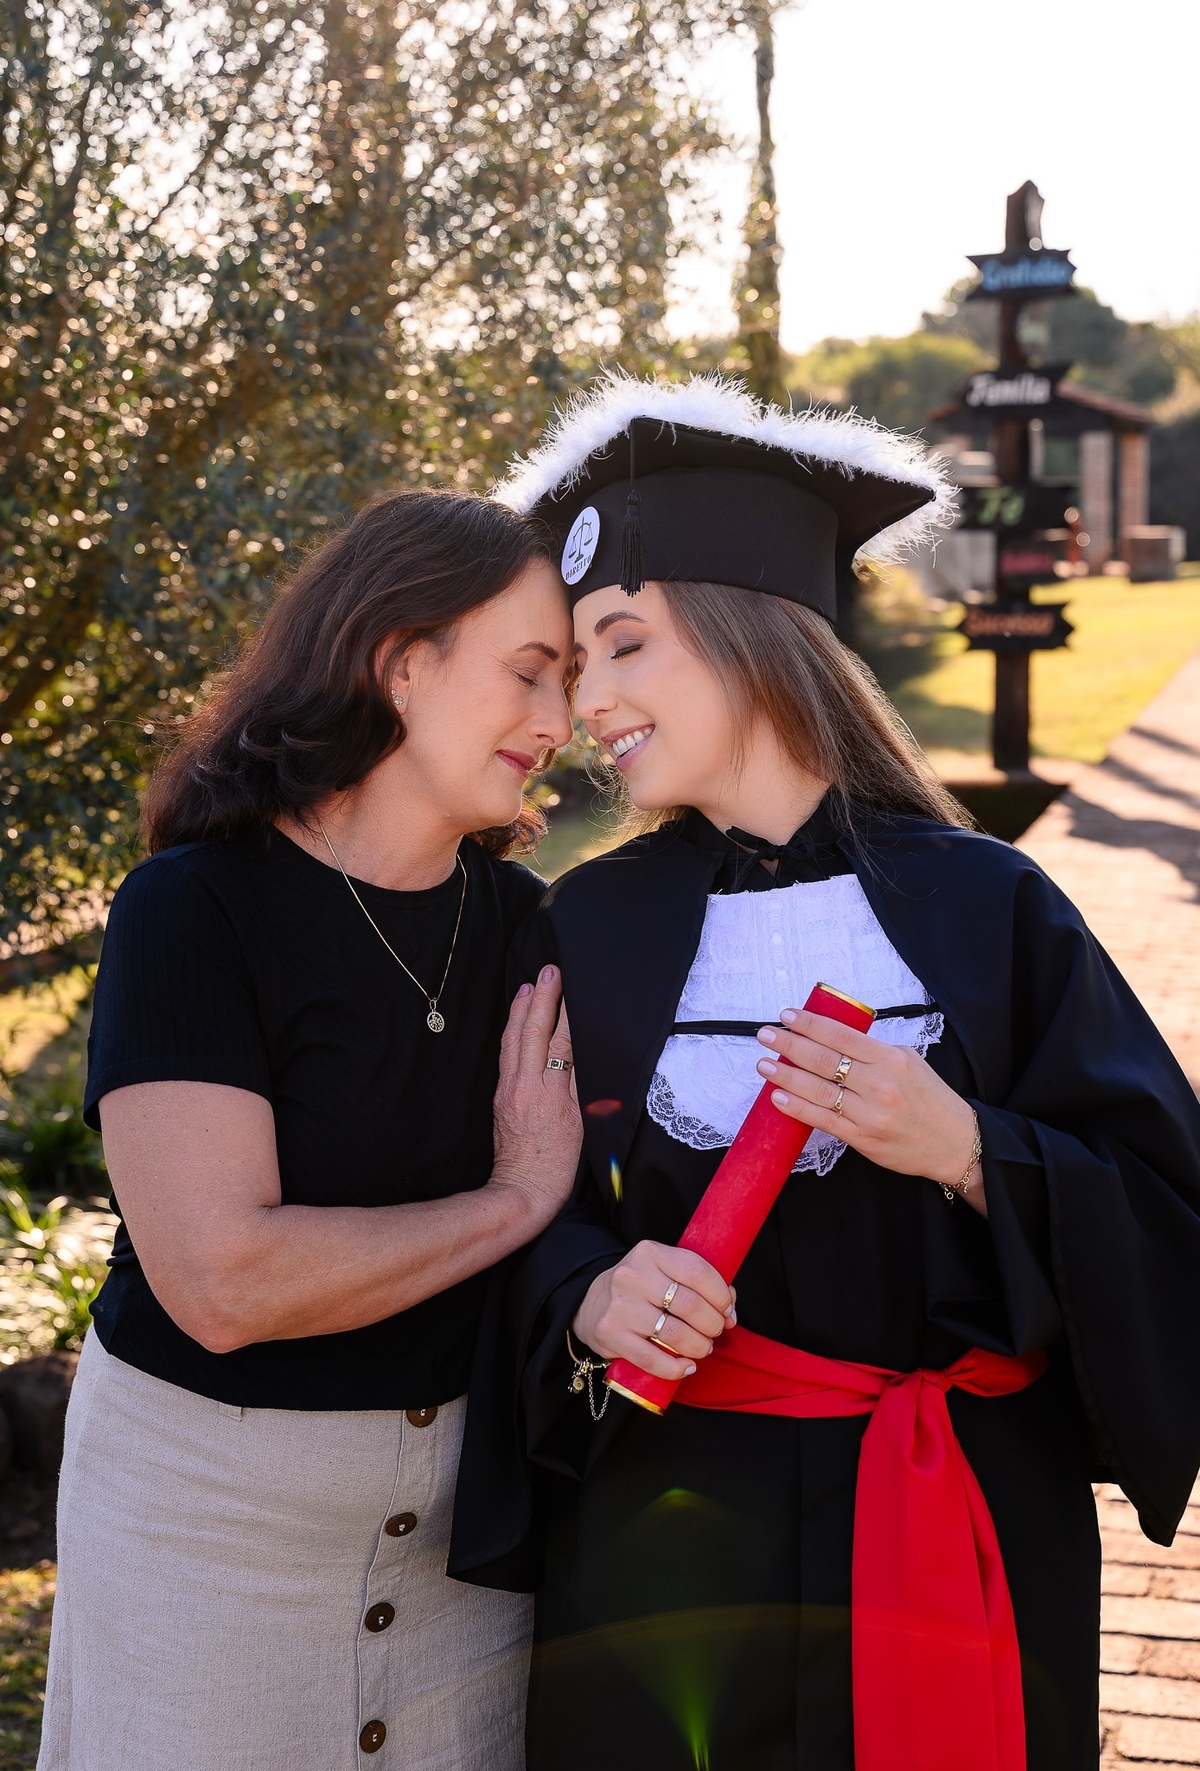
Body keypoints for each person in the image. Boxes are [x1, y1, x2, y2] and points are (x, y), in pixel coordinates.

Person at [449, 374, 1200, 1771]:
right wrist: (589, 1293)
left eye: (623, 646)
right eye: (574, 662)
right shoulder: (584, 925)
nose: (590, 701)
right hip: (668, 1548)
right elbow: (513, 1200)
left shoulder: (990, 903)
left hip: (957, 1517)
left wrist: (968, 1148)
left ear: (754, 633)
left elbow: (1168, 1213)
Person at [40, 488, 583, 1771]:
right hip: (204, 1540)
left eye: (569, 683)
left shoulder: (530, 925)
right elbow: (223, 1281)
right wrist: (512, 1202)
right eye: (528, 672)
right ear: (401, 661)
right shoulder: (194, 908)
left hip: (469, 1557)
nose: (559, 723)